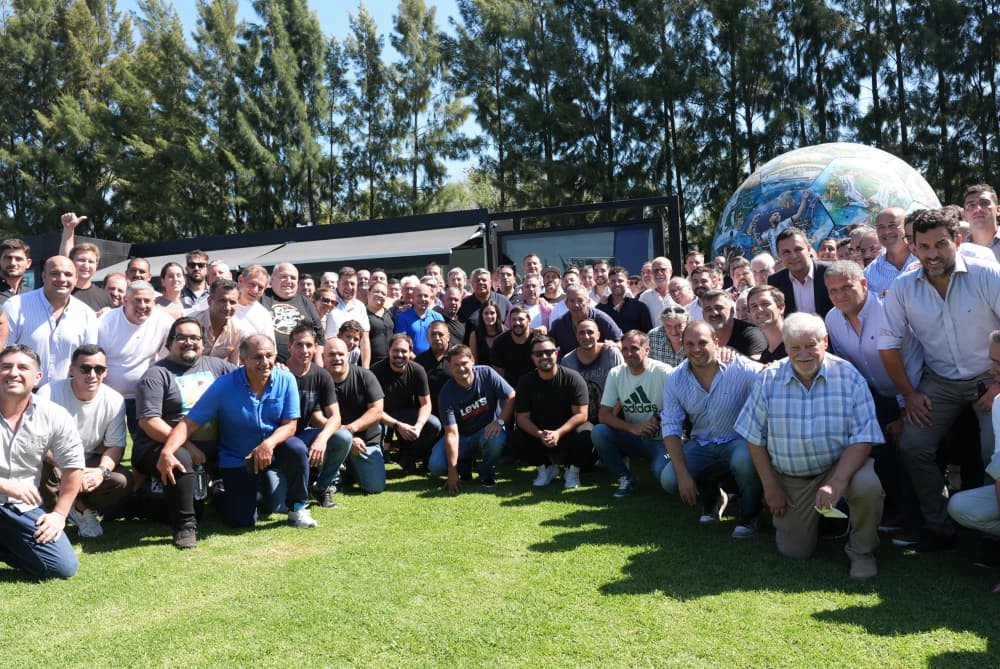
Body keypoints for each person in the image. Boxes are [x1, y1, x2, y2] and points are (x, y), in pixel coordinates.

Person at [879, 208, 1000, 551]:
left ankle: (990, 534)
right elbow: (887, 345)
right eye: (924, 246)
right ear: (913, 247)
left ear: (957, 241)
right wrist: (909, 394)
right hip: (940, 380)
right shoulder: (902, 288)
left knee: (994, 451)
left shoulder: (986, 274)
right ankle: (939, 526)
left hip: (990, 376)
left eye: (941, 244)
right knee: (913, 444)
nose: (932, 254)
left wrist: (998, 385)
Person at [736, 312, 884, 580]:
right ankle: (821, 522)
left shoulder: (849, 377)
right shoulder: (768, 379)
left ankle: (862, 551)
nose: (803, 354)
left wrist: (837, 481)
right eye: (795, 347)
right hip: (791, 478)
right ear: (785, 346)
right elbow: (753, 437)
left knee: (867, 485)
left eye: (810, 345)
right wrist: (771, 486)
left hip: (837, 467)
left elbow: (864, 436)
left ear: (824, 341)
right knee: (795, 551)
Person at [159, 335, 316, 530]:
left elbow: (290, 425)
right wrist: (167, 451)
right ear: (243, 359)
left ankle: (298, 508)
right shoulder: (224, 385)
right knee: (242, 521)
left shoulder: (287, 379)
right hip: (238, 457)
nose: (265, 362)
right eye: (257, 357)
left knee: (297, 448)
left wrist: (268, 444)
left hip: (273, 450)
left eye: (269, 356)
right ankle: (220, 491)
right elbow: (188, 423)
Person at [823, 260, 924, 544]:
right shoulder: (832, 319)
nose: (840, 295)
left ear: (864, 284)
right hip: (875, 395)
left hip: (914, 390)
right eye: (833, 291)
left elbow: (911, 361)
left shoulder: (888, 309)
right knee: (875, 446)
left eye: (846, 287)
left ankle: (917, 520)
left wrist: (904, 410)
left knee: (908, 446)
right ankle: (893, 511)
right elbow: (849, 368)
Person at [132, 317, 235, 548]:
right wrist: (187, 445)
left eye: (195, 338)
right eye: (181, 338)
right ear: (170, 343)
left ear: (203, 343)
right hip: (160, 446)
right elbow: (149, 422)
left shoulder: (218, 367)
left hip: (212, 446)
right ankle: (185, 526)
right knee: (181, 457)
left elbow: (247, 377)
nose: (189, 342)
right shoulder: (156, 374)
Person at [659, 321, 764, 538]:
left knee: (745, 460)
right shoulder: (675, 379)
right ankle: (713, 497)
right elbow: (670, 427)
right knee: (670, 478)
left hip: (738, 441)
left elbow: (768, 374)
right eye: (690, 344)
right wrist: (683, 475)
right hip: (702, 443)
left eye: (702, 343)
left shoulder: (739, 367)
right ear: (683, 346)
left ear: (716, 342)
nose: (696, 349)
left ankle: (750, 514)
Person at [0, 344, 84, 579]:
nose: (13, 373)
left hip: (21, 507)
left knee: (62, 567)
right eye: (6, 366)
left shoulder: (53, 414)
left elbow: (74, 465)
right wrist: (4, 485)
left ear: (37, 377)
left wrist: (59, 515)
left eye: (22, 367)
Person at [38, 345, 129, 539]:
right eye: (85, 368)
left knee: (121, 481)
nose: (92, 375)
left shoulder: (115, 400)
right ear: (72, 369)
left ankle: (81, 507)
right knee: (44, 468)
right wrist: (69, 468)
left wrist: (101, 472)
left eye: (99, 369)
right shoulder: (49, 393)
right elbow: (37, 442)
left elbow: (115, 446)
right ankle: (55, 511)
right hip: (54, 460)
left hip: (88, 461)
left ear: (106, 372)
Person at [591, 330, 673, 498]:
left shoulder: (664, 372)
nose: (629, 353)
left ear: (647, 350)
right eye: (625, 349)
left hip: (663, 440)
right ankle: (625, 478)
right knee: (599, 432)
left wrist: (658, 419)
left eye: (634, 348)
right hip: (633, 437)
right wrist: (632, 428)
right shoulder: (616, 373)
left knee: (664, 476)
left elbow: (680, 406)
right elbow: (604, 415)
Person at [948, 330, 1000, 585]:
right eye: (992, 361)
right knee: (962, 506)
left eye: (998, 363)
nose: (992, 370)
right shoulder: (999, 403)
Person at [429, 345, 515, 492]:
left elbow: (511, 396)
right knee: (436, 466)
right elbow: (452, 433)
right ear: (449, 366)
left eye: (464, 363)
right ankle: (463, 467)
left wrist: (499, 422)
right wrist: (452, 471)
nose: (461, 368)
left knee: (497, 440)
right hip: (461, 436)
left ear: (472, 360)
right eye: (456, 365)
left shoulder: (486, 373)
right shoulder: (446, 394)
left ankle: (486, 473)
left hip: (486, 431)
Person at [2, 255, 97, 385]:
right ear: (43, 276)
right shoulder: (15, 306)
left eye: (68, 274)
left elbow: (88, 360)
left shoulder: (87, 314)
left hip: (67, 393)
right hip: (21, 390)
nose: (62, 279)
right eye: (55, 273)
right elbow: (4, 354)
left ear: (76, 279)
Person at [283, 323, 349, 510]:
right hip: (278, 439)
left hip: (302, 436)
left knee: (343, 437)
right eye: (299, 345)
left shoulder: (321, 375)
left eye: (309, 345)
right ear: (290, 346)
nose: (305, 350)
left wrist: (322, 438)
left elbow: (335, 417)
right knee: (276, 504)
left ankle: (321, 487)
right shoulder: (279, 371)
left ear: (316, 347)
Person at [513, 335, 591, 489]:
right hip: (540, 435)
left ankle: (572, 470)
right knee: (516, 438)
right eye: (538, 354)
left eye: (549, 352)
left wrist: (558, 433)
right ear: (532, 357)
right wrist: (540, 434)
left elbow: (582, 414)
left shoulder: (572, 378)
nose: (544, 357)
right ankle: (546, 468)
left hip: (568, 433)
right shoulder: (525, 382)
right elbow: (521, 417)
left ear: (556, 353)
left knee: (588, 432)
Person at [98, 280, 174, 434]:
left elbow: (170, 355)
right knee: (108, 441)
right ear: (125, 300)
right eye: (137, 300)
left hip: (143, 396)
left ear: (154, 301)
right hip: (107, 396)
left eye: (147, 301)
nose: (142, 305)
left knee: (143, 441)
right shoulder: (105, 321)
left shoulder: (164, 321)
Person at [323, 337, 386, 494]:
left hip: (365, 441)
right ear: (323, 357)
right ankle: (333, 478)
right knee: (317, 439)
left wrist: (350, 430)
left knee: (375, 487)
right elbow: (316, 418)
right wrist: (345, 438)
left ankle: (349, 469)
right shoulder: (317, 380)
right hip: (331, 440)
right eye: (331, 354)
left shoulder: (365, 376)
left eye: (340, 354)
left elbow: (377, 410)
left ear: (348, 355)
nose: (336, 358)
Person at [373, 334, 441, 473]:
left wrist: (418, 426)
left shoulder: (417, 370)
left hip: (406, 413)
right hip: (381, 415)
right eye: (396, 350)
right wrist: (397, 425)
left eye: (404, 351)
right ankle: (378, 460)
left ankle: (408, 455)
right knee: (378, 429)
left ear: (410, 352)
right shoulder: (375, 371)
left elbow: (426, 404)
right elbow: (373, 410)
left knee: (434, 424)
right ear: (389, 350)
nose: (399, 354)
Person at [560, 319, 624, 427]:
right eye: (581, 333)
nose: (586, 336)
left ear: (598, 335)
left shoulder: (611, 354)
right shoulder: (567, 361)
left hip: (613, 414)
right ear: (576, 336)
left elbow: (623, 387)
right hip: (583, 419)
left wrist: (609, 417)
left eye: (590, 332)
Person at [259, 262, 325, 363]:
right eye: (283, 276)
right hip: (269, 365)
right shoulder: (261, 298)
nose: (289, 281)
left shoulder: (305, 302)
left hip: (303, 366)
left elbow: (320, 338)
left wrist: (318, 366)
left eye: (293, 278)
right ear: (272, 278)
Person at [767, 227, 834, 316]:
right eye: (786, 252)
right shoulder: (775, 282)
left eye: (798, 249)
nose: (793, 256)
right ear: (779, 255)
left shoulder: (831, 272)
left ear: (809, 249)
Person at [549, 286, 622, 356]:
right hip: (569, 363)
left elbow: (620, 342)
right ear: (566, 303)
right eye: (572, 301)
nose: (576, 305)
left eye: (580, 300)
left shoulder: (602, 319)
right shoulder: (559, 324)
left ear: (588, 301)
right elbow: (549, 344)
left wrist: (611, 346)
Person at [191, 279, 251, 365]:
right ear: (209, 301)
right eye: (222, 301)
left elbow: (233, 366)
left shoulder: (239, 330)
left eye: (232, 302)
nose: (227, 307)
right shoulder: (191, 323)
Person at [864, 207, 919, 295]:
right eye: (881, 227)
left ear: (905, 227)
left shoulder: (923, 259)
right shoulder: (870, 272)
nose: (886, 231)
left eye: (892, 225)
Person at [699, 289, 766, 360]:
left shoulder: (751, 334)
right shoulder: (700, 336)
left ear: (731, 311)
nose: (714, 313)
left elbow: (754, 365)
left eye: (719, 308)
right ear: (703, 314)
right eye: (708, 309)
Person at [328, 267, 372, 367]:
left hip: (352, 363)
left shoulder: (360, 306)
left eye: (352, 284)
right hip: (330, 362)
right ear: (338, 283)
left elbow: (365, 339)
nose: (349, 287)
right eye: (345, 283)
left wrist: (365, 368)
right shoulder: (328, 301)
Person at [458, 268, 512, 338]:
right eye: (477, 280)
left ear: (490, 283)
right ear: (472, 284)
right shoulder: (464, 304)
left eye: (484, 280)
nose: (481, 282)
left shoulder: (503, 301)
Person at [394, 282, 444, 356]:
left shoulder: (438, 317)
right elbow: (401, 342)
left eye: (426, 296)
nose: (423, 299)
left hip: (435, 359)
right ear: (413, 298)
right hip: (411, 360)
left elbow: (444, 340)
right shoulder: (402, 317)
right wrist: (415, 358)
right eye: (419, 296)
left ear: (431, 298)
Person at [490, 306, 535, 388]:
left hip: (535, 387)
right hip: (509, 388)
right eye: (513, 319)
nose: (517, 323)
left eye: (521, 319)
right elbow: (497, 372)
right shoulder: (499, 342)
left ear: (529, 321)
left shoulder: (537, 340)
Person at [598, 266, 653, 333]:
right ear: (609, 284)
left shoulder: (640, 308)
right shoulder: (600, 309)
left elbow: (648, 334)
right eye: (613, 281)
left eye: (620, 281)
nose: (617, 284)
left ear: (628, 283)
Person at [415, 321, 452, 418]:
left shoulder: (458, 357)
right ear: (427, 337)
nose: (437, 338)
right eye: (433, 334)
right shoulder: (419, 362)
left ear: (448, 337)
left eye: (440, 334)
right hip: (430, 415)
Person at [234, 265, 277, 342]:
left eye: (260, 287)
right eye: (252, 284)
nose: (255, 290)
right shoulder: (223, 304)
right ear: (240, 280)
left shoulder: (263, 315)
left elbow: (270, 346)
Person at [67, 243, 114, 312]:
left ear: (96, 265)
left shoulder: (104, 297)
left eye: (91, 262)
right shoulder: (61, 291)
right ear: (71, 262)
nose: (86, 265)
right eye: (81, 260)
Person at [746, 285, 787, 363]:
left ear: (781, 307)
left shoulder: (797, 343)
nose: (759, 309)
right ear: (750, 314)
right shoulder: (763, 355)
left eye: (765, 304)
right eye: (754, 306)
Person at [963, 184, 1000, 261]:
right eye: (971, 205)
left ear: (998, 210)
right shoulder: (959, 251)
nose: (978, 209)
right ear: (965, 214)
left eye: (984, 203)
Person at [638, 257, 676, 321]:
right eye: (655, 270)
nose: (659, 273)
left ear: (670, 272)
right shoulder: (645, 297)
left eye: (663, 269)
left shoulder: (680, 293)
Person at [366, 280, 394, 367]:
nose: (380, 295)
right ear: (368, 293)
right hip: (371, 364)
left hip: (391, 363)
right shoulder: (362, 314)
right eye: (376, 291)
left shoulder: (389, 314)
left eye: (383, 294)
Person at [469, 300, 505, 364]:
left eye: (492, 313)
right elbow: (474, 361)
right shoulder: (474, 335)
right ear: (481, 315)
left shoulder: (506, 332)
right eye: (486, 313)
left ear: (497, 314)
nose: (489, 316)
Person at [0, 238, 32, 304]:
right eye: (8, 258)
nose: (13, 263)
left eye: (19, 259)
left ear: (28, 263)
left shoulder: (31, 294)